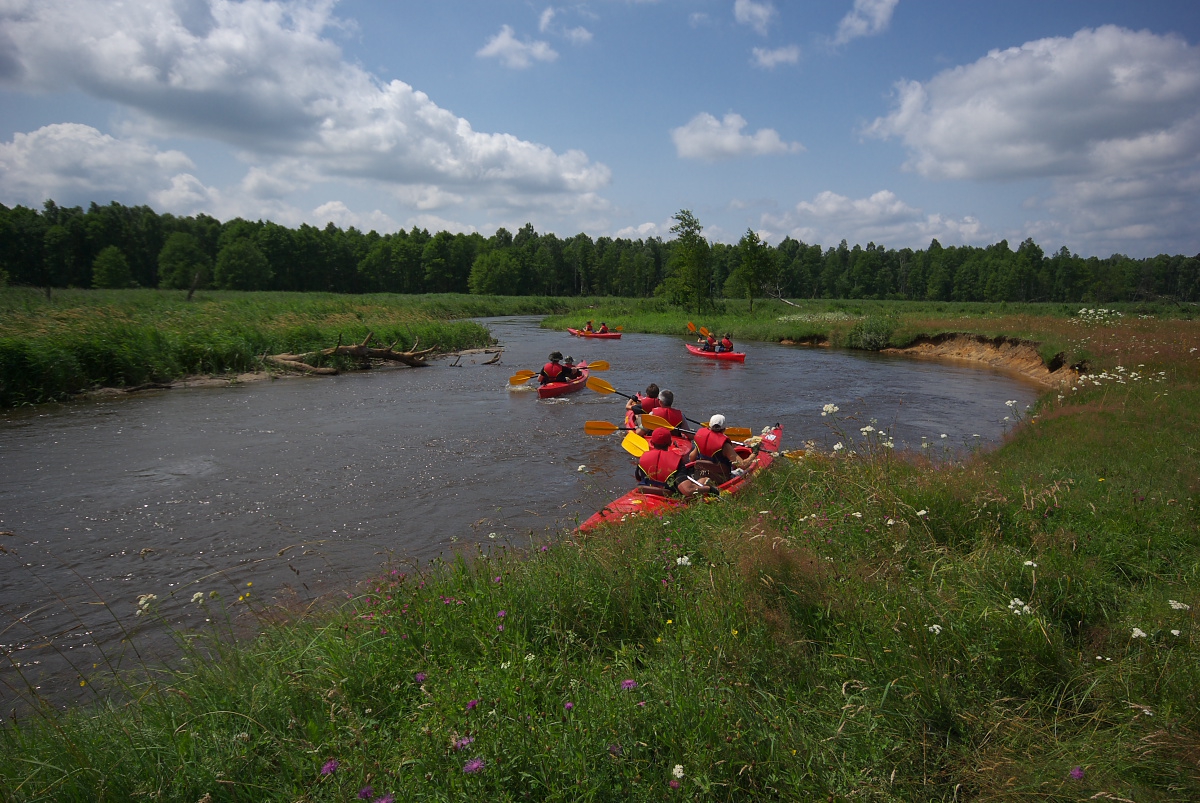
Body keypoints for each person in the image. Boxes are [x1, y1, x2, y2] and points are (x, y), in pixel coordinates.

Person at [636, 427, 712, 497]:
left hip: (645, 492)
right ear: (670, 443)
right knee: (703, 480)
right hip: (667, 496)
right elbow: (688, 491)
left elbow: (638, 477)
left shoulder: (642, 458)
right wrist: (709, 489)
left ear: (651, 443)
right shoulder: (677, 461)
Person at [688, 414, 754, 484]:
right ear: (724, 429)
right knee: (741, 471)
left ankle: (702, 483)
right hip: (721, 479)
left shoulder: (701, 438)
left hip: (701, 474)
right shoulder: (725, 446)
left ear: (709, 426)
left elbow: (691, 457)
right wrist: (754, 454)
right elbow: (743, 465)